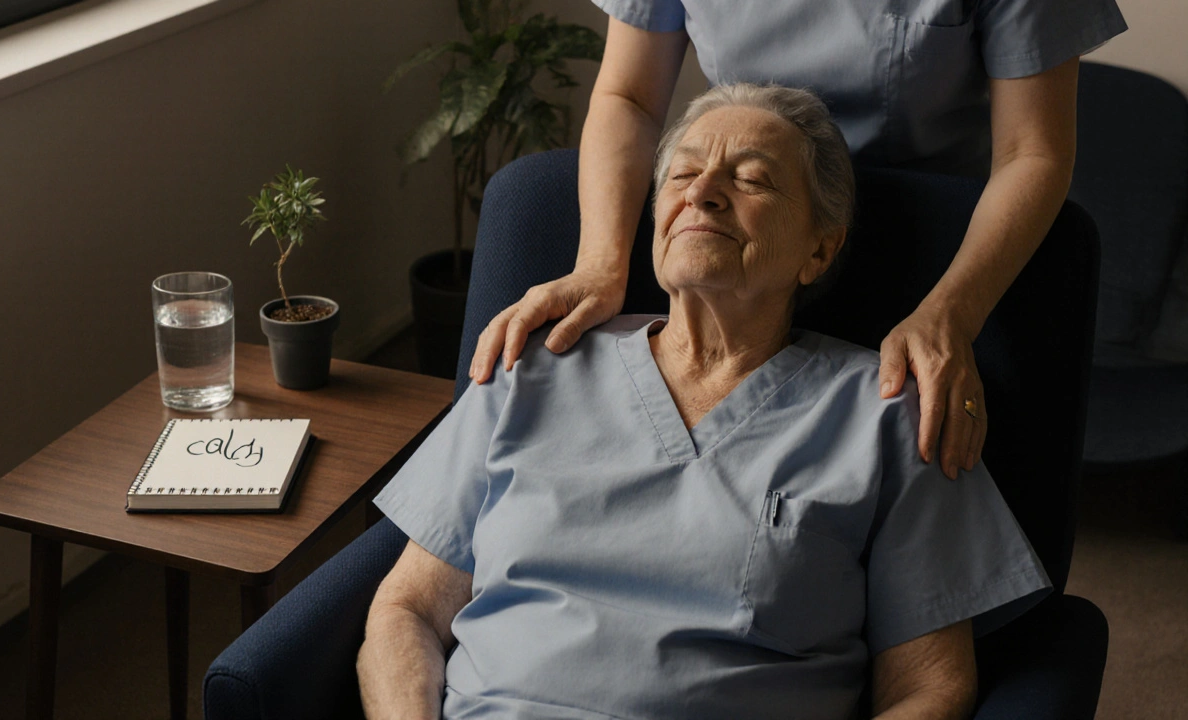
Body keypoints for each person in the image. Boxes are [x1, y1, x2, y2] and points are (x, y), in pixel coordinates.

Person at [358, 84, 1051, 720]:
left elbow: (931, 687)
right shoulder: (532, 363)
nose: (704, 193)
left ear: (820, 250)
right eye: (683, 174)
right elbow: (408, 609)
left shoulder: (891, 413)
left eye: (752, 179)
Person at [467, 0, 1127, 482]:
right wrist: (601, 264)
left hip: (927, 253)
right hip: (744, 221)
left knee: (891, 477)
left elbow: (1030, 151)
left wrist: (950, 312)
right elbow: (631, 96)